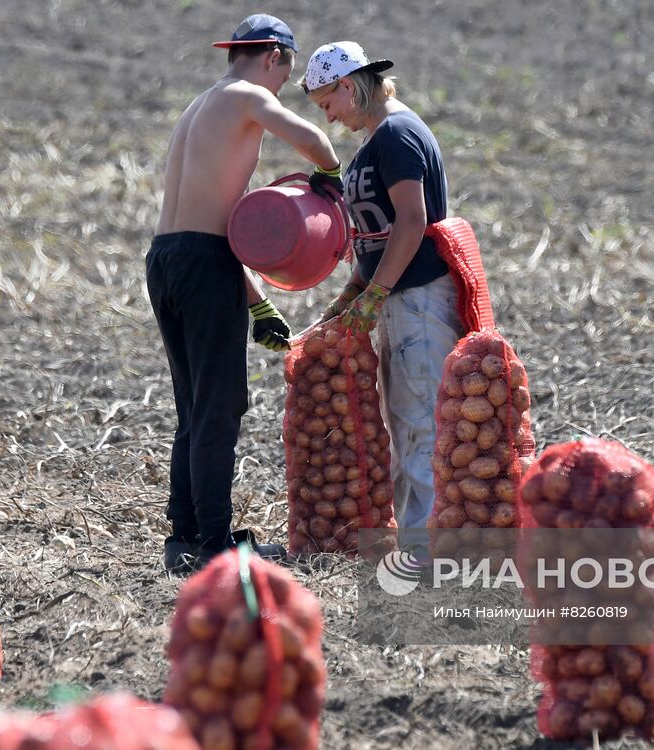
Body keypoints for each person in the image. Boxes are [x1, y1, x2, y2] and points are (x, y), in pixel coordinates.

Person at [150, 14, 345, 573]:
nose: (284, 86)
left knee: (193, 407)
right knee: (218, 408)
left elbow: (212, 229)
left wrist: (257, 303)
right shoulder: (245, 96)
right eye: (287, 73)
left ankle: (184, 534)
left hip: (167, 260)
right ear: (275, 58)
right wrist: (330, 175)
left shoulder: (201, 105)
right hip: (202, 264)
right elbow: (314, 139)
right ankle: (214, 544)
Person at [303, 41, 461, 546]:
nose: (328, 117)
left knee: (419, 425)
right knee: (403, 423)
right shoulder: (375, 141)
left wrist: (375, 295)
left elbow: (412, 223)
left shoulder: (396, 133)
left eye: (327, 103)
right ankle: (407, 540)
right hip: (394, 299)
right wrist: (351, 295)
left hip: (417, 298)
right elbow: (376, 236)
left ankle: (425, 550)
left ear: (347, 85)